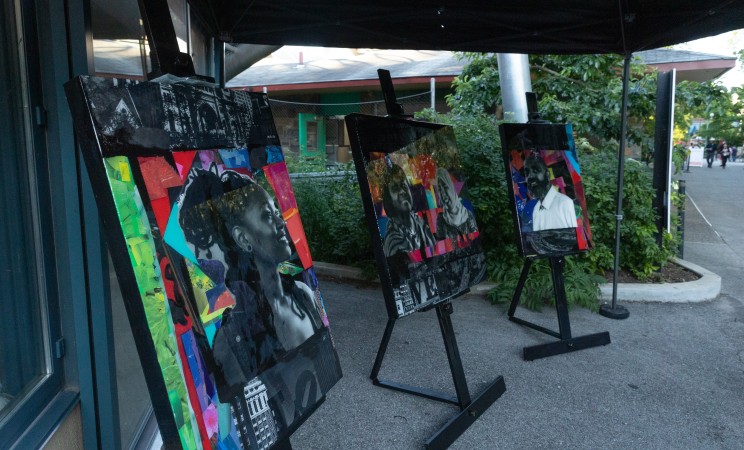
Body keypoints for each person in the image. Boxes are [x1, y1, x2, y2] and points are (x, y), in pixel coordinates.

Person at [178, 168, 322, 401]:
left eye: (276, 210)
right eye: (267, 215)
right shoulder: (230, 339)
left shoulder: (303, 296)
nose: (280, 221)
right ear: (243, 239)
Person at [382, 164, 436, 257]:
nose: (402, 191)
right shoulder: (392, 240)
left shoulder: (420, 223)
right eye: (395, 188)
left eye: (403, 185)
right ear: (389, 200)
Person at [521, 154, 577, 232]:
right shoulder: (536, 210)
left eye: (536, 170)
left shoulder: (565, 203)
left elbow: (577, 238)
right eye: (527, 173)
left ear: (547, 175)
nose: (530, 176)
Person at [434, 167, 478, 241]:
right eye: (439, 189)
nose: (443, 194)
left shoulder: (468, 215)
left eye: (445, 187)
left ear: (450, 187)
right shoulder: (441, 219)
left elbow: (475, 241)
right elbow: (441, 244)